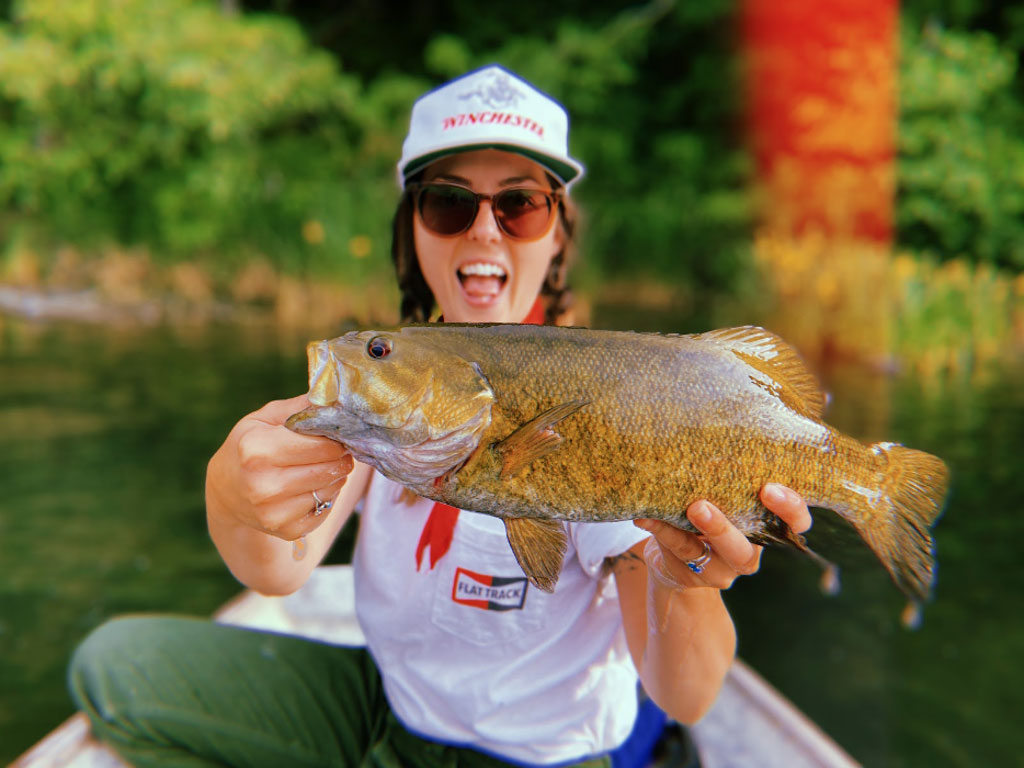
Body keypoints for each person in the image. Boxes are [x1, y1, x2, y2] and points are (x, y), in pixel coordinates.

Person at [69, 64, 812, 768]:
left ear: (556, 231)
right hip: (389, 712)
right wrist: (231, 494)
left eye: (519, 204)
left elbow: (685, 693)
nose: (484, 230)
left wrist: (688, 580)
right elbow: (278, 567)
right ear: (412, 227)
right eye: (449, 202)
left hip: (535, 758)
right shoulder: (386, 399)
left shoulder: (612, 401)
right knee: (115, 668)